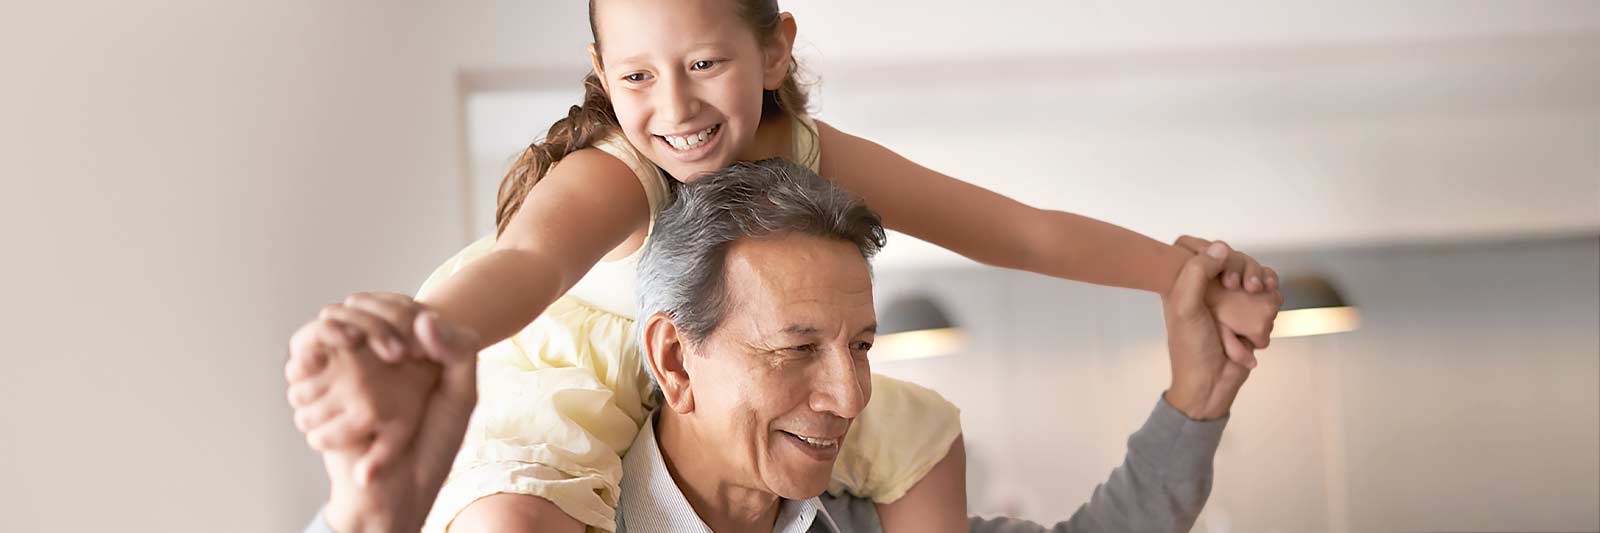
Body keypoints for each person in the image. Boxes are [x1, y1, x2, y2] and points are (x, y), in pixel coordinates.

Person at [286, 0, 1283, 530]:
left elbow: (1012, 230)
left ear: (773, 49)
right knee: (508, 519)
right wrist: (418, 337)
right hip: (571, 367)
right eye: (636, 77)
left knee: (923, 437)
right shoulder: (617, 175)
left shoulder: (802, 149)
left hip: (705, 377)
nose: (673, 108)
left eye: (705, 64)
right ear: (603, 76)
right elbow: (526, 264)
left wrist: (1177, 273)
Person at [294, 159, 1270, 533]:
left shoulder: (876, 516)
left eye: (861, 343)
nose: (846, 392)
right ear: (673, 358)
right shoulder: (537, 508)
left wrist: (1198, 396)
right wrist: (366, 510)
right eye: (795, 346)